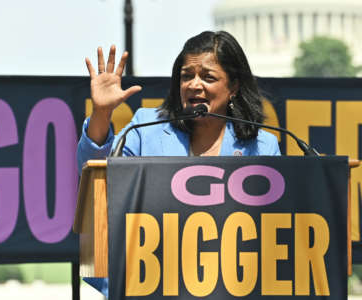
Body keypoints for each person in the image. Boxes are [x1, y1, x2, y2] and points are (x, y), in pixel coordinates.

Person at [77, 31, 281, 296]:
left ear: (234, 86)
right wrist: (102, 113)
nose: (194, 85)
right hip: (149, 282)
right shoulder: (146, 128)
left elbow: (273, 230)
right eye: (187, 76)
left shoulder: (262, 146)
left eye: (208, 77)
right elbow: (96, 176)